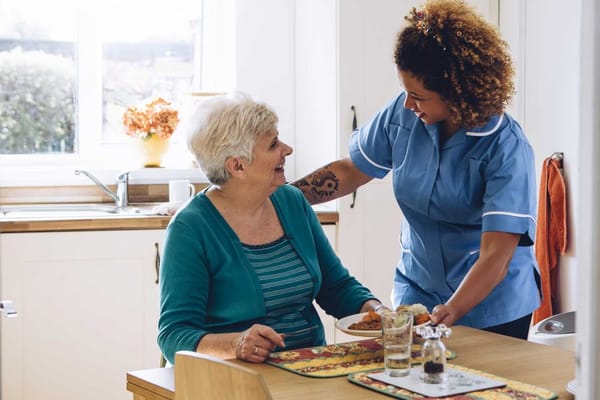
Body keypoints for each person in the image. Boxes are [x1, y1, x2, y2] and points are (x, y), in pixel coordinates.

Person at [292, 0, 540, 340]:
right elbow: (351, 170)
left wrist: (453, 308)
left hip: (491, 307)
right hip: (417, 293)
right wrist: (284, 198)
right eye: (405, 92)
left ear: (456, 92)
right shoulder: (404, 112)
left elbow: (497, 254)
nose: (408, 103)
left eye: (418, 96)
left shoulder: (506, 147)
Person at [157, 92, 383, 365]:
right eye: (273, 144)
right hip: (232, 379)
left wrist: (377, 312)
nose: (287, 149)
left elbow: (336, 286)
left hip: (307, 368)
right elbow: (173, 335)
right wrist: (237, 343)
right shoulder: (190, 228)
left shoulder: (291, 201)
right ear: (237, 165)